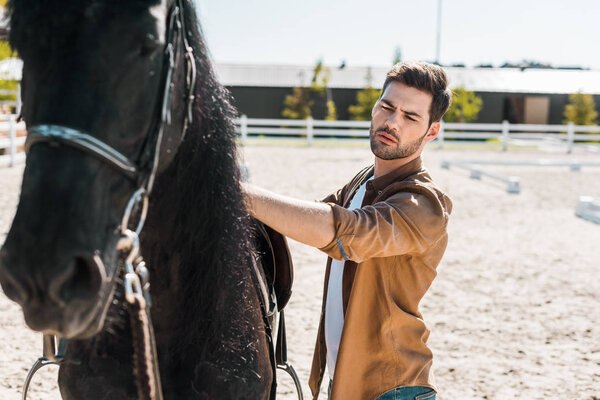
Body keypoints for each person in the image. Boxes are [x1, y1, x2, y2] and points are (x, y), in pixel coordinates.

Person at [243, 62, 453, 400]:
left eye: (410, 117)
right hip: (344, 382)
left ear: (431, 131)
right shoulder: (363, 181)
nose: (392, 122)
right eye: (387, 106)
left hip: (392, 389)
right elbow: (309, 219)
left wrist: (238, 192)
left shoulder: (424, 204)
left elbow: (345, 232)